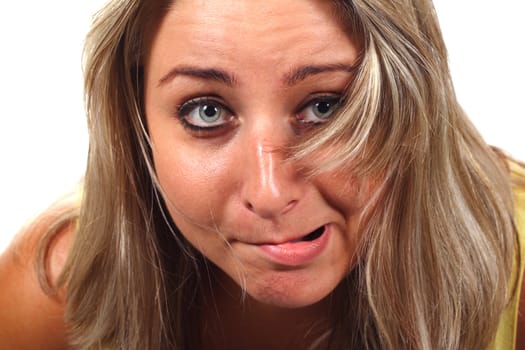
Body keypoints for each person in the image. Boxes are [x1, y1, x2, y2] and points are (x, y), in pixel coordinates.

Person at [1, 0, 524, 349]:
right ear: (137, 122)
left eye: (325, 107)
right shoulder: (56, 289)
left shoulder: (516, 276)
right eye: (206, 111)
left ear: (414, 103)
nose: (270, 193)